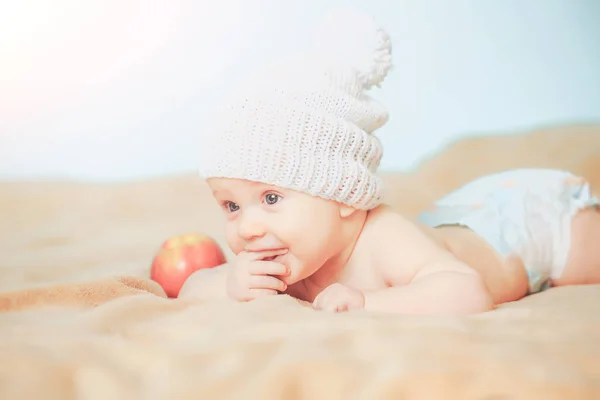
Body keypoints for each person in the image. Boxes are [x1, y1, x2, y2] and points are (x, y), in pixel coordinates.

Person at [178, 9, 600, 315]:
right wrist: (232, 286)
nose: (247, 228)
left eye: (270, 197)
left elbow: (467, 291)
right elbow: (192, 289)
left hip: (528, 223)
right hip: (456, 218)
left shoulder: (384, 237)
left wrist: (368, 303)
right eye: (231, 206)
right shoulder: (286, 250)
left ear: (343, 194)